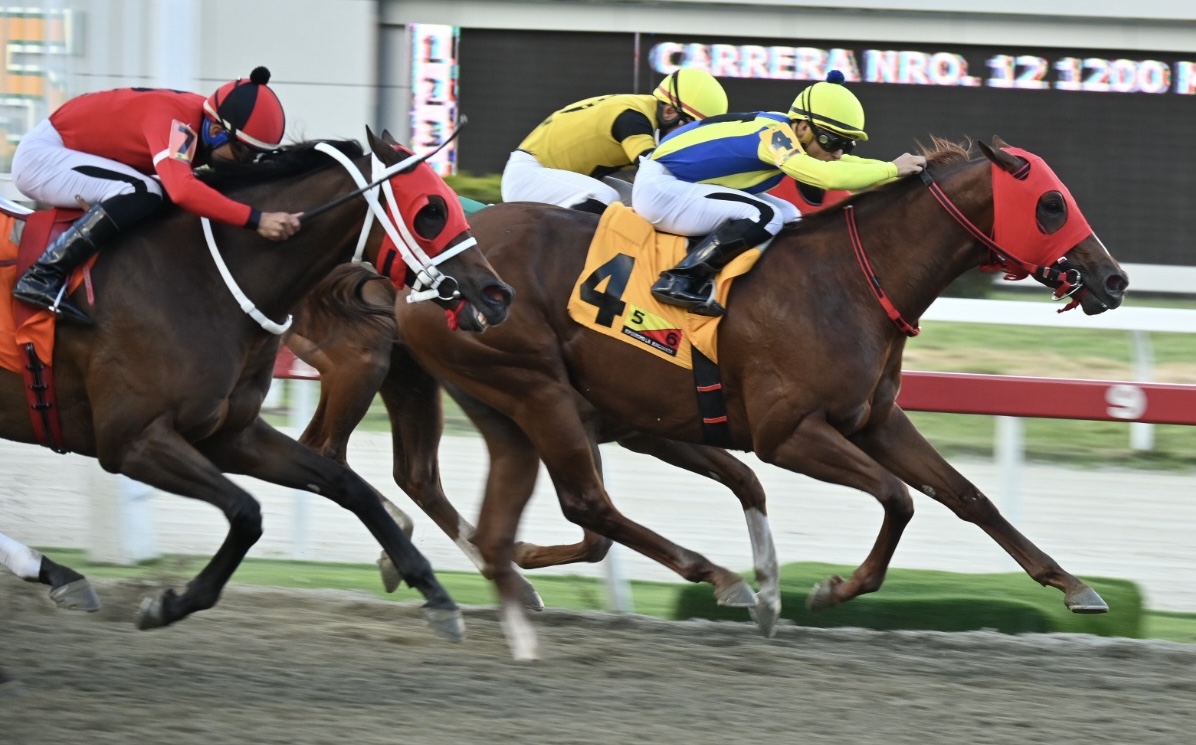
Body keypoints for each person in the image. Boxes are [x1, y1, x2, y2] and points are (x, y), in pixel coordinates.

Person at [10, 66, 303, 325]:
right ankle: (42, 275)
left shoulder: (200, 122)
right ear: (216, 130)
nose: (246, 163)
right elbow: (182, 191)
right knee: (145, 191)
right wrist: (257, 219)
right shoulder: (180, 125)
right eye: (243, 153)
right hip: (43, 157)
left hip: (74, 151)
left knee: (153, 194)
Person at [632, 70, 927, 316]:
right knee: (765, 215)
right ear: (803, 128)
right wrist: (891, 170)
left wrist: (892, 167)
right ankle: (681, 279)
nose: (838, 152)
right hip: (660, 189)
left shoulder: (786, 130)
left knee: (789, 215)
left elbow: (843, 163)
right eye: (832, 141)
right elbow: (825, 176)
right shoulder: (774, 137)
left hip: (679, 182)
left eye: (846, 144)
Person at [500, 68, 729, 214]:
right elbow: (654, 172)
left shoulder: (642, 111)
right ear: (669, 112)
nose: (690, 137)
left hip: (556, 175)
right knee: (605, 197)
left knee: (637, 204)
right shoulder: (633, 119)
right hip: (530, 176)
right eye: (690, 128)